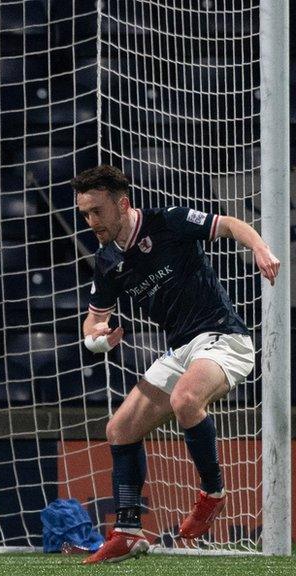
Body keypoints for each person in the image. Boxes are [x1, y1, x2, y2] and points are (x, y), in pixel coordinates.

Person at [72, 165, 281, 564]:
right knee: (119, 429)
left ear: (123, 203)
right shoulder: (107, 260)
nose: (91, 221)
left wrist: (258, 247)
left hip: (224, 337)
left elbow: (230, 224)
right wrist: (96, 340)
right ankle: (129, 531)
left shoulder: (169, 222)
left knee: (187, 398)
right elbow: (94, 319)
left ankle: (212, 492)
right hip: (180, 348)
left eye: (98, 211)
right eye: (85, 213)